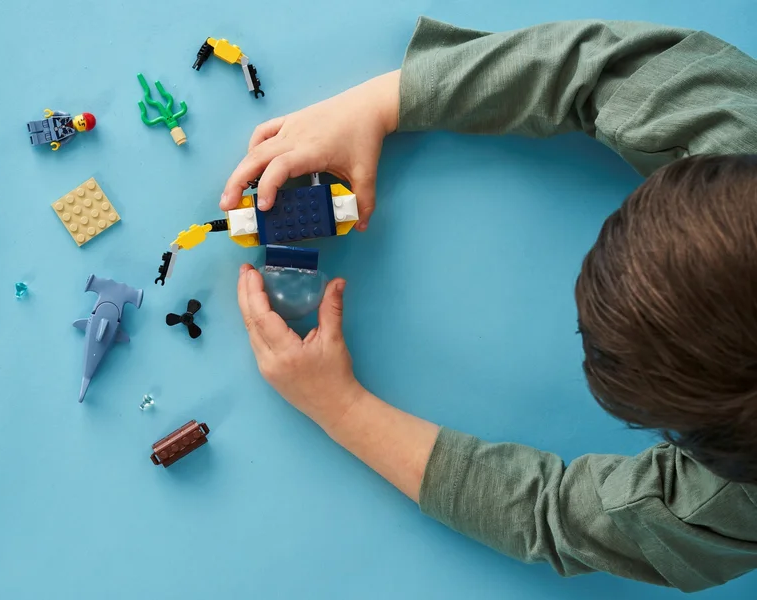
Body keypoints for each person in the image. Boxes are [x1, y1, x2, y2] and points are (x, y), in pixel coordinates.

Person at [221, 17, 757, 592]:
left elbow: (559, 517)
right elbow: (594, 70)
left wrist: (344, 410)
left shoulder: (737, 509)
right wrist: (379, 102)